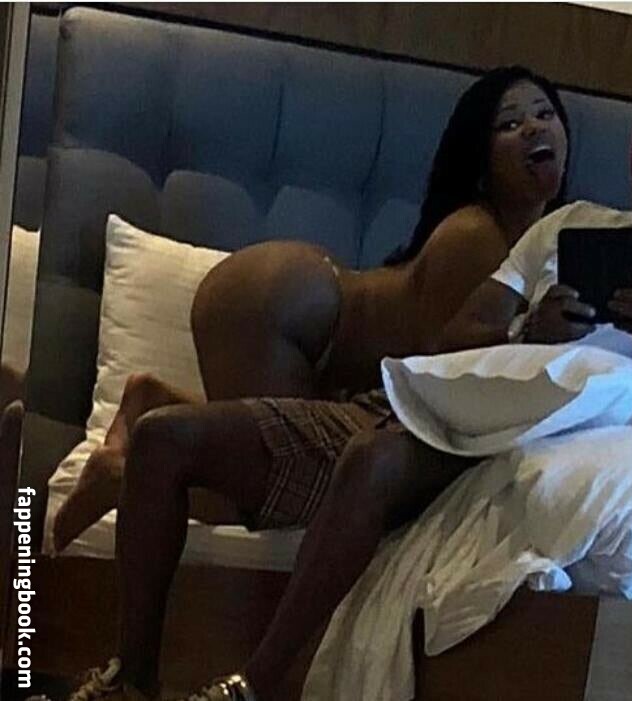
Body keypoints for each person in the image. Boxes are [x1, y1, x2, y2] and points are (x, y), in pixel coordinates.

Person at [141, 90, 632, 701]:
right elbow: (450, 341)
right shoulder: (570, 226)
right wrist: (528, 328)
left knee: (372, 461)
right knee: (171, 439)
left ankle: (255, 682)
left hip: (537, 439)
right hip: (454, 405)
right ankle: (129, 680)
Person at [50, 65, 570, 552]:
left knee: (266, 465)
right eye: (509, 123)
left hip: (295, 303)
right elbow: (448, 365)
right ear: (479, 163)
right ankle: (119, 478)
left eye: (545, 113)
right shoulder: (479, 236)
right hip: (284, 312)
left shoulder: (531, 243)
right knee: (270, 496)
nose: (532, 127)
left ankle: (152, 399)